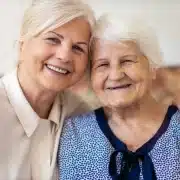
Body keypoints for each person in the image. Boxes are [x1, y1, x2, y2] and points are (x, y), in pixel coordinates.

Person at [58, 14, 180, 180]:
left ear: (152, 67)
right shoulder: (74, 132)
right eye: (103, 65)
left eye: (127, 61)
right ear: (91, 77)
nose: (115, 75)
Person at [0, 0, 95, 179]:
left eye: (78, 48)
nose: (64, 55)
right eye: (53, 39)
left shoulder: (81, 115)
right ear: (22, 44)